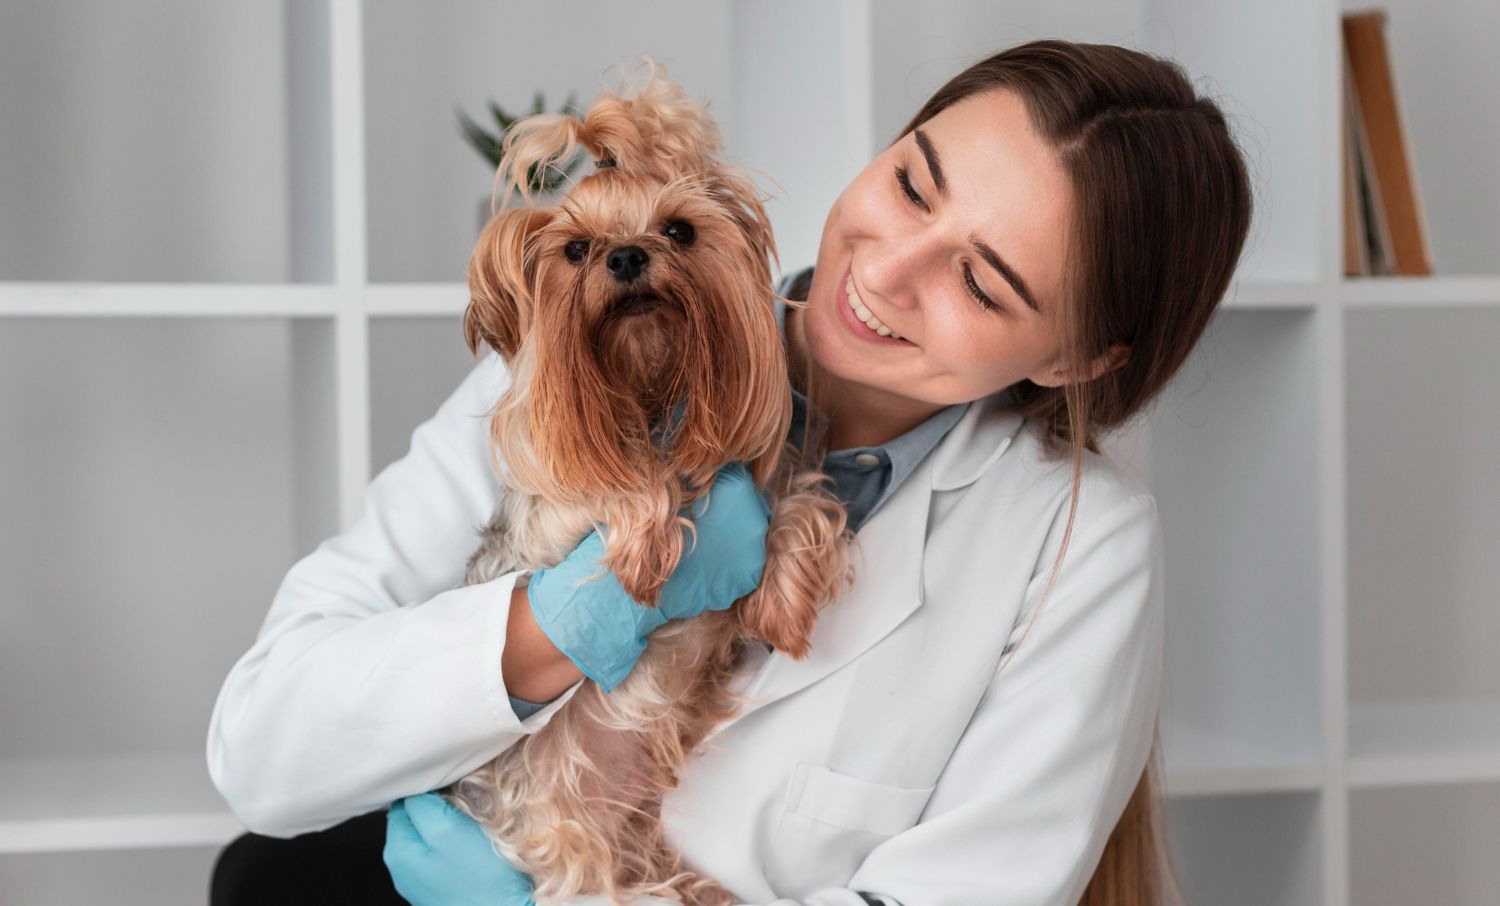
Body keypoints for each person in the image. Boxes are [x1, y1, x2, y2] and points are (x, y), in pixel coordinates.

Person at [208, 38, 1251, 906]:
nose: (887, 270)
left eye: (978, 281)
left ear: (1073, 359)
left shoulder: (1078, 546)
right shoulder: (569, 363)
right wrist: (569, 618)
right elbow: (263, 745)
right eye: (910, 184)